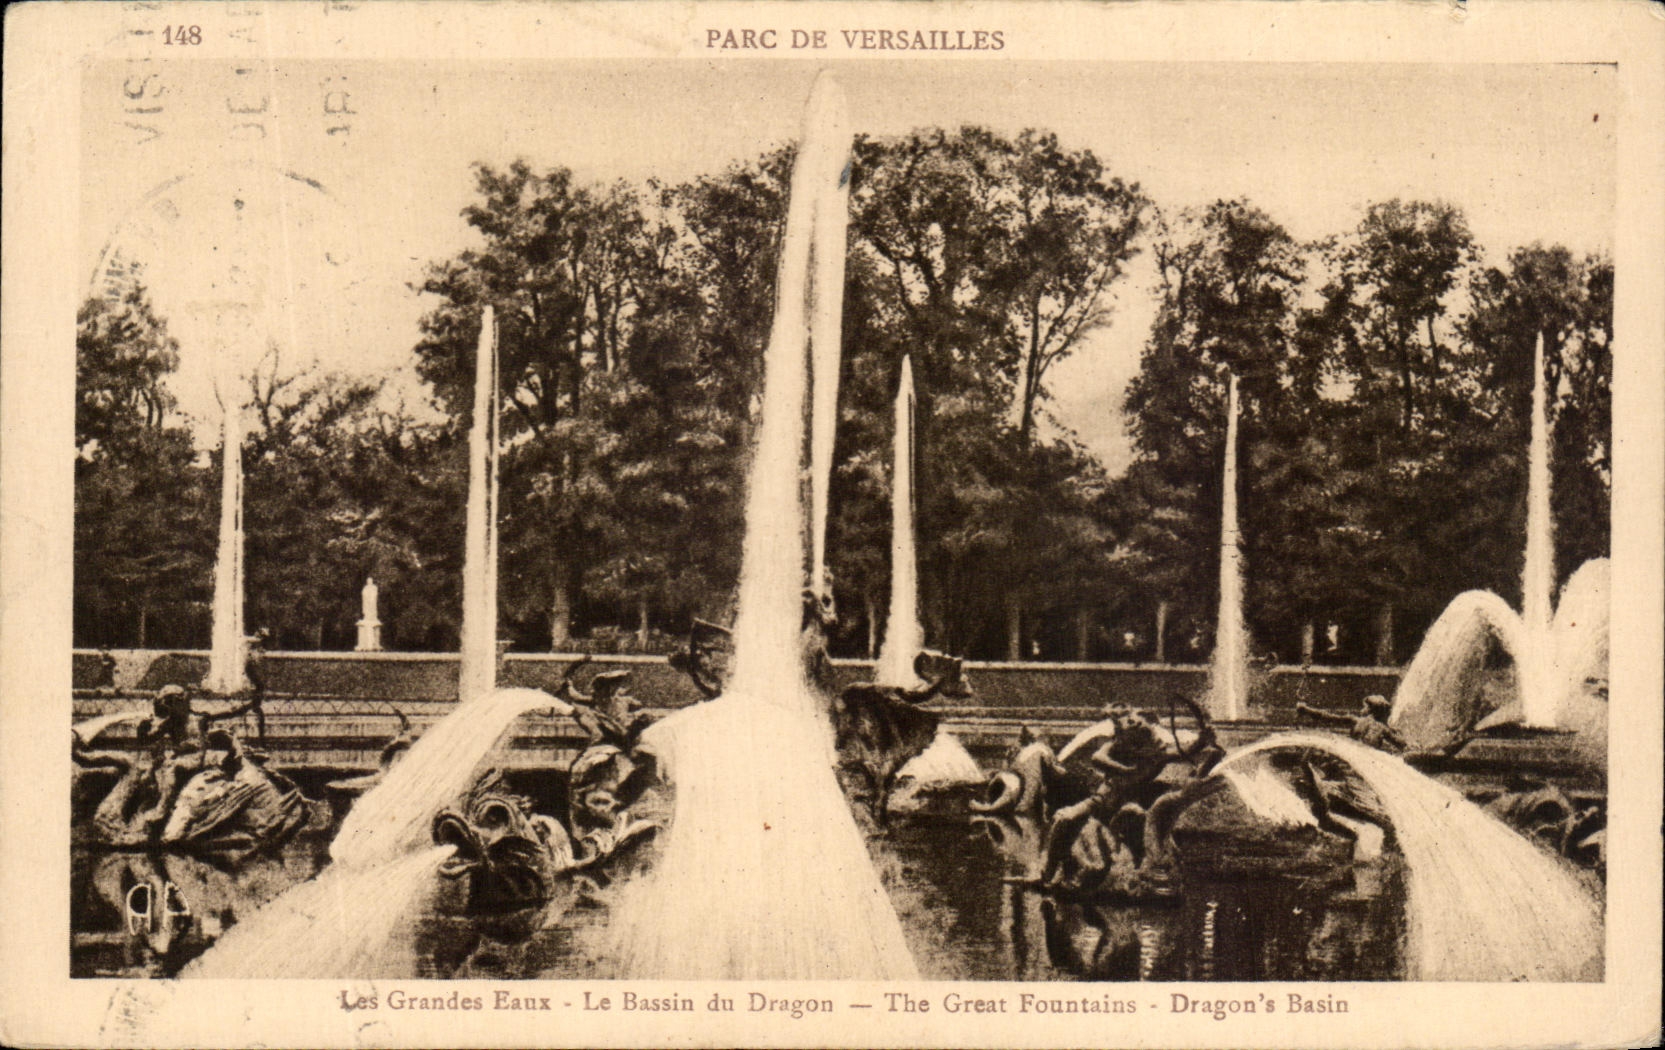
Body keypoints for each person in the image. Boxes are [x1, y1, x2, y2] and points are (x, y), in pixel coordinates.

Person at [1295, 694, 1405, 754]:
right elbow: (1402, 745)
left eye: (1365, 707)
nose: (1363, 709)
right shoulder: (1384, 729)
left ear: (1370, 710)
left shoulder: (1356, 720)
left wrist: (1306, 709)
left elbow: (1327, 717)